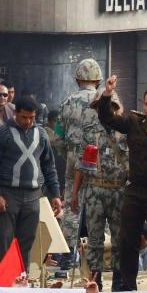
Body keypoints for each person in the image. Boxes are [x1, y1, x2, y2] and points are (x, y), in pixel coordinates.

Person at [95, 75, 147, 291]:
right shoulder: (133, 122)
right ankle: (126, 285)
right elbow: (107, 119)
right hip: (135, 190)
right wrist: (107, 94)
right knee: (127, 239)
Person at [0, 96, 61, 273]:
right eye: (24, 117)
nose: (28, 121)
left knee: (27, 242)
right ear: (15, 113)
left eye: (32, 117)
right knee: (3, 241)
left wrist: (56, 195)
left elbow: (49, 166)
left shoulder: (42, 134)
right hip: (8, 195)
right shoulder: (1, 134)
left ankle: (21, 279)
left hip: (33, 195)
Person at [72, 85, 128, 291]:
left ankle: (119, 279)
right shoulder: (89, 132)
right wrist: (75, 194)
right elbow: (80, 164)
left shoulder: (126, 130)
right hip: (94, 189)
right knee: (94, 238)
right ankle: (95, 279)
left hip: (118, 190)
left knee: (119, 238)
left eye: (112, 106)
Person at [57, 58, 104, 272]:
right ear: (98, 79)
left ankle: (67, 254)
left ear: (77, 79)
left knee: (71, 206)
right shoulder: (102, 100)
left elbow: (58, 136)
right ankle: (98, 255)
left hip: (72, 158)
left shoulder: (66, 102)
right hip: (97, 159)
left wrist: (69, 153)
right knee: (96, 205)